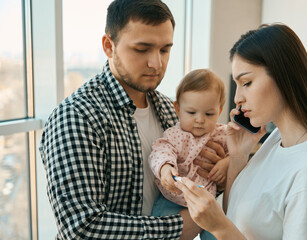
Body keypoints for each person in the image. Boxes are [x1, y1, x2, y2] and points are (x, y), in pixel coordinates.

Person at [39, 0, 225, 239]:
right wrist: (182, 226)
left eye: (164, 50)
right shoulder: (77, 117)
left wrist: (220, 171)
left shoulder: (172, 110)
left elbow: (205, 182)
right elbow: (82, 229)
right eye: (142, 49)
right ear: (109, 46)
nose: (156, 63)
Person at [174, 23, 307, 240]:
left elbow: (228, 227)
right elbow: (235, 214)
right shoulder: (276, 140)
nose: (237, 98)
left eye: (247, 82)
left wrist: (219, 227)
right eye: (237, 84)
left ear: (282, 76)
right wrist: (238, 156)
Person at [149, 69, 229, 239]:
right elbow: (161, 150)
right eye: (191, 113)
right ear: (177, 109)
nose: (200, 120)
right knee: (159, 231)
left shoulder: (221, 134)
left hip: (207, 202)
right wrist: (165, 168)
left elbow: (238, 152)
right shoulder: (176, 134)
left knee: (219, 234)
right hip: (172, 199)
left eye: (209, 114)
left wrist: (226, 163)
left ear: (220, 111)